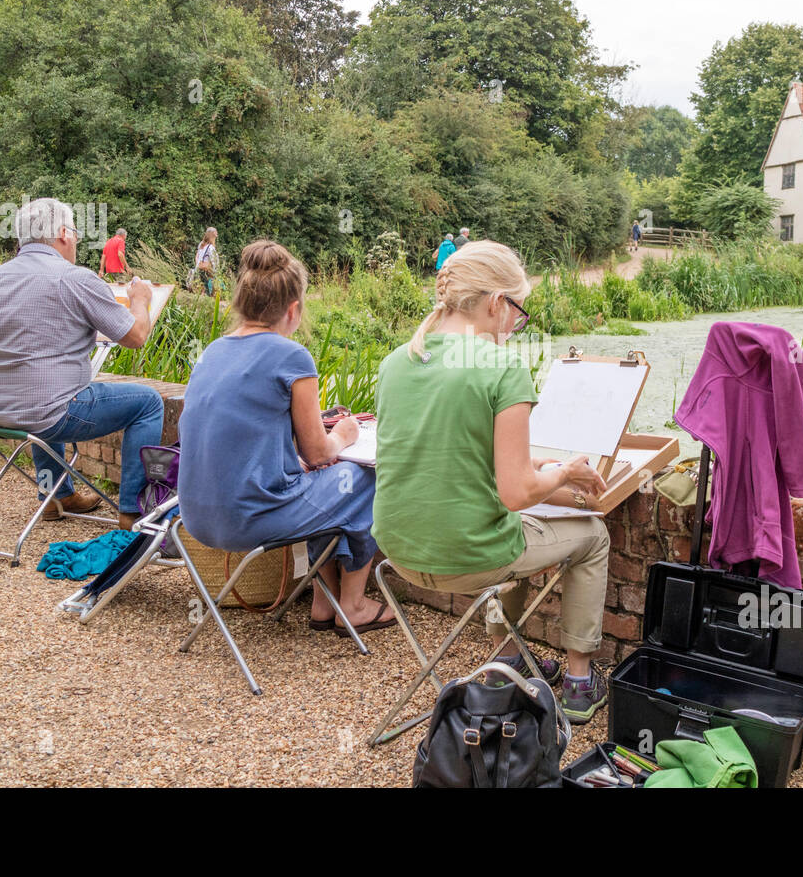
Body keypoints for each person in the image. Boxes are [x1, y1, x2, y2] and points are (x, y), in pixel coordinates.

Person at [372, 240, 612, 723]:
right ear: (496, 303)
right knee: (592, 537)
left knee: (508, 526)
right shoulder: (502, 366)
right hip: (467, 560)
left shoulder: (396, 361)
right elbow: (517, 492)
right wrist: (565, 471)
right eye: (517, 312)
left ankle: (507, 656)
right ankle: (581, 683)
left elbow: (454, 445)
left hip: (398, 553)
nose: (516, 326)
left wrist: (536, 461)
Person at [177, 240, 393, 633]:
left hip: (195, 518)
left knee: (317, 480)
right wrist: (344, 434)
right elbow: (318, 451)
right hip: (247, 520)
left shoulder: (211, 351)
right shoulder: (292, 357)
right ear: (293, 309)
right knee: (367, 478)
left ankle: (324, 602)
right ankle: (354, 604)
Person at [0, 198, 163, 529]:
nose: (75, 239)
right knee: (148, 403)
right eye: (74, 232)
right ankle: (132, 512)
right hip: (51, 413)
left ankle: (56, 496)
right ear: (63, 233)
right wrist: (140, 300)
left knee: (46, 400)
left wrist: (11, 380)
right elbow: (135, 336)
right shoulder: (75, 278)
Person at [195, 228, 220, 296]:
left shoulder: (201, 244)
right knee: (209, 291)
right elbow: (213, 261)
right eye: (216, 232)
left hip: (200, 269)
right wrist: (215, 271)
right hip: (208, 271)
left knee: (202, 290)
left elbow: (197, 256)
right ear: (212, 234)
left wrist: (198, 265)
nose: (217, 234)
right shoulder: (210, 247)